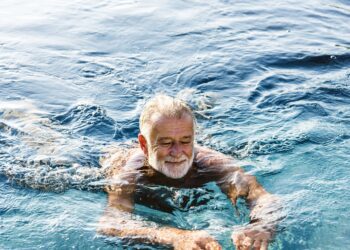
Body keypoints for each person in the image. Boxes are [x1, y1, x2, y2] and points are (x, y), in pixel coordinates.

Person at [98, 94, 282, 250]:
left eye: (185, 141)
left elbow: (262, 197)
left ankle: (203, 105)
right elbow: (111, 222)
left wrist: (262, 225)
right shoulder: (129, 173)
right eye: (166, 142)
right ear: (144, 145)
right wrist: (175, 237)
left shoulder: (211, 162)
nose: (177, 152)